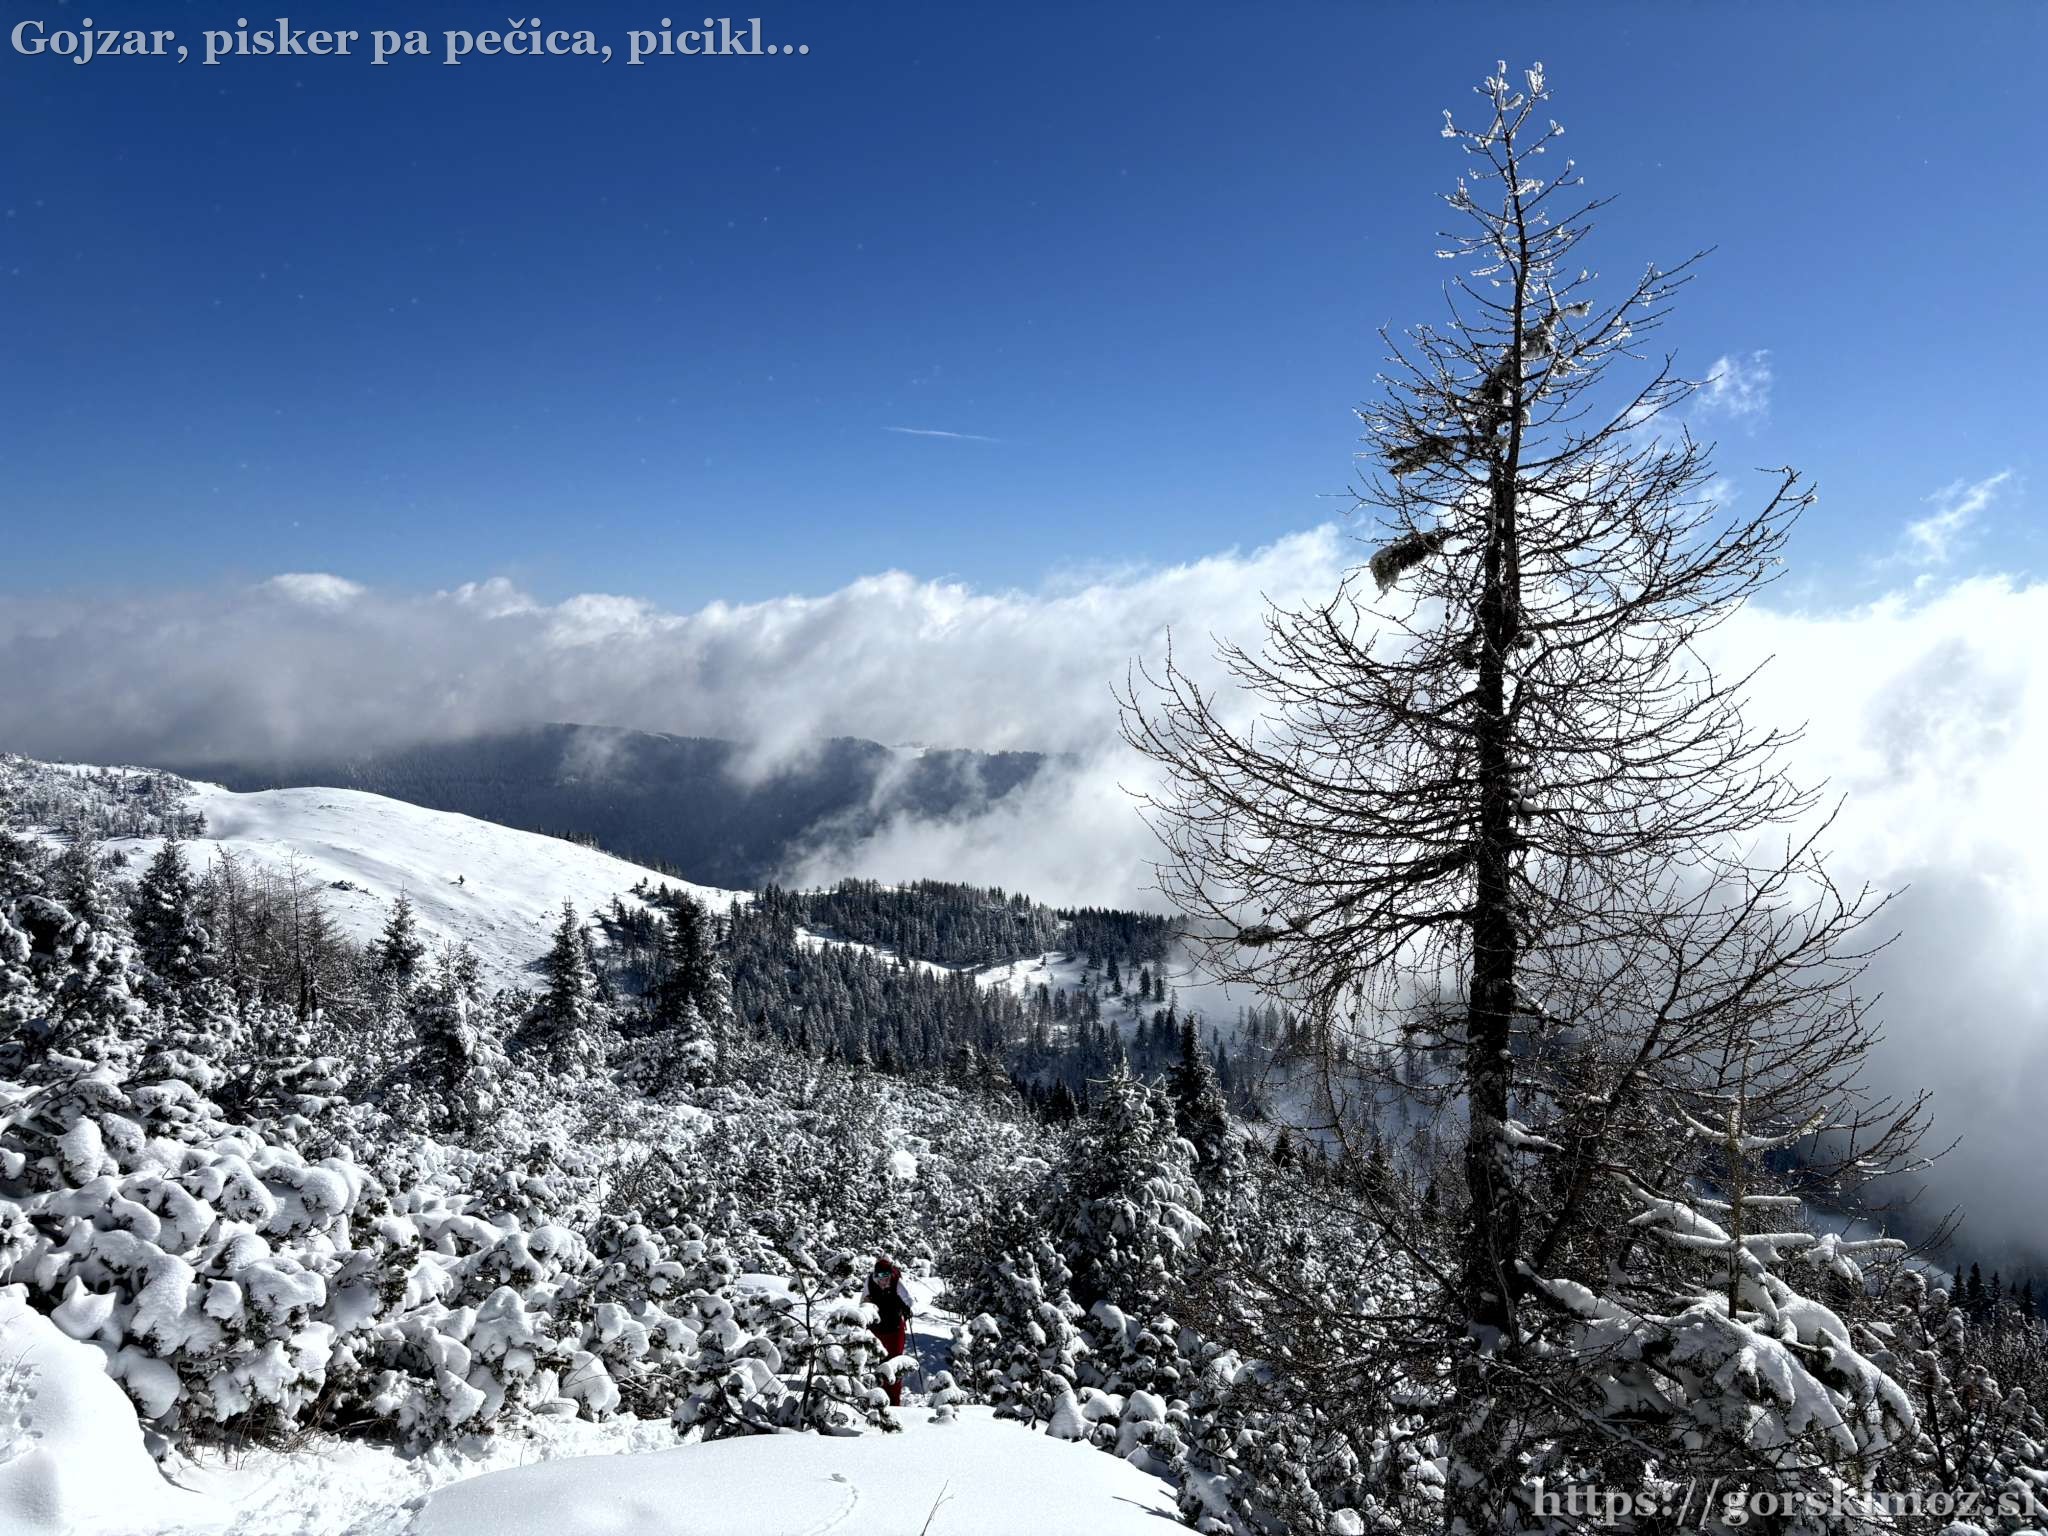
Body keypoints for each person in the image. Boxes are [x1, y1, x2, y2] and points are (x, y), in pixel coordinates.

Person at [864, 1255, 916, 1406]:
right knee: (877, 1363)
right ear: (875, 1275)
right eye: (880, 1275)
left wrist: (902, 1305)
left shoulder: (896, 1282)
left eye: (886, 1275)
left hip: (895, 1330)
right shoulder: (870, 1282)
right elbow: (863, 1302)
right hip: (876, 1330)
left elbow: (910, 1300)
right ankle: (877, 1399)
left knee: (894, 1365)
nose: (884, 1279)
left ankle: (894, 1402)